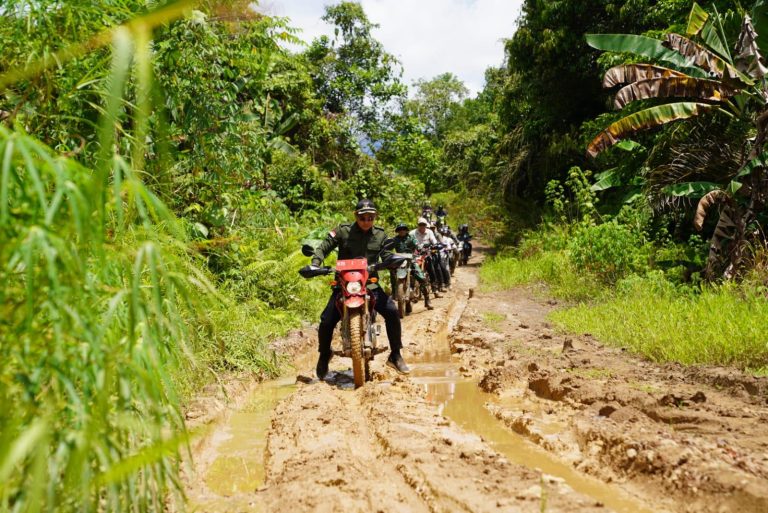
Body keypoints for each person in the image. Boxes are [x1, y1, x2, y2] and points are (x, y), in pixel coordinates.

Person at [308, 199, 410, 379]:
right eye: (363, 217)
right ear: (356, 216)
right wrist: (316, 263)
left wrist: (392, 261)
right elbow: (323, 248)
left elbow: (386, 254)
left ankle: (395, 355)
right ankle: (325, 354)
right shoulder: (343, 231)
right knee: (326, 320)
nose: (367, 221)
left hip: (369, 282)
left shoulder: (380, 235)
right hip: (343, 284)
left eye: (371, 218)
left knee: (392, 311)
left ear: (375, 218)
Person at [392, 222, 433, 310]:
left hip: (411, 260)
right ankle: (394, 294)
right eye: (400, 230)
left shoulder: (411, 238)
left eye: (403, 229)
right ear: (398, 231)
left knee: (421, 278)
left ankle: (427, 299)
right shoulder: (395, 239)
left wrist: (420, 248)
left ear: (406, 230)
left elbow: (417, 245)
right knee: (392, 273)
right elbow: (388, 247)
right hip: (399, 261)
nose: (402, 231)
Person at [410, 218, 443, 297]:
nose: (422, 226)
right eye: (420, 224)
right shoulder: (412, 233)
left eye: (424, 225)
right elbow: (408, 243)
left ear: (426, 225)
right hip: (415, 255)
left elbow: (434, 241)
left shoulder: (429, 232)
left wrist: (434, 245)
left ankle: (435, 290)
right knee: (411, 271)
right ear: (418, 225)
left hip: (426, 254)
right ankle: (410, 288)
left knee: (432, 270)